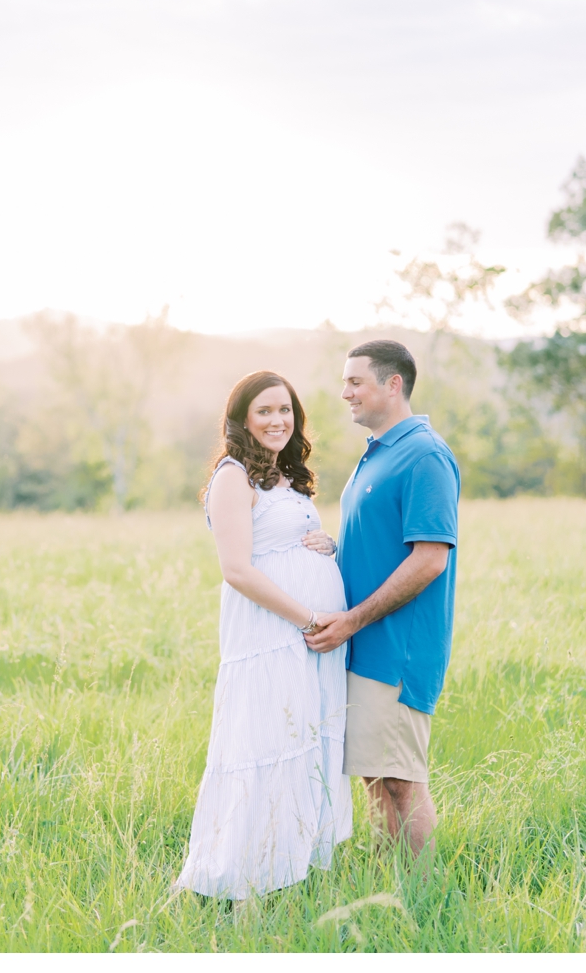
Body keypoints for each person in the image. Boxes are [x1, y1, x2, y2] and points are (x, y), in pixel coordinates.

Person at [173, 370, 352, 901]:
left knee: (306, 746)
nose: (278, 421)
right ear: (242, 421)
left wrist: (326, 546)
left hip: (310, 642)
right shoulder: (234, 477)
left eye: (285, 411)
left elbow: (284, 546)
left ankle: (295, 868)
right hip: (273, 636)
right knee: (267, 745)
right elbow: (239, 570)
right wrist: (306, 618)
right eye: (264, 412)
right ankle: (248, 880)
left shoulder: (286, 478)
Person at [304, 340, 459, 860]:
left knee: (400, 781)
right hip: (363, 645)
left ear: (393, 385)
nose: (344, 392)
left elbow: (429, 558)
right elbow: (383, 541)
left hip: (397, 650)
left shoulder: (425, 454)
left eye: (355, 382)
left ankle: (419, 899)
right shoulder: (379, 451)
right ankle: (387, 889)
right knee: (376, 778)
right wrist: (336, 548)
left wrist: (350, 620)